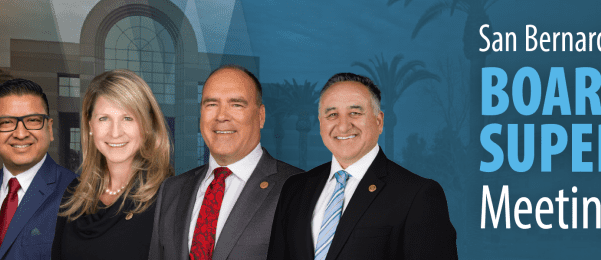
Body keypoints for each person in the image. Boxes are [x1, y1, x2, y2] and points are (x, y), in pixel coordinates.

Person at [268, 73, 458, 260]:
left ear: (379, 121)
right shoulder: (295, 189)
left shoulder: (417, 195)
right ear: (320, 124)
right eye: (332, 114)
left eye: (355, 113)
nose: (343, 126)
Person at [148, 65, 302, 260]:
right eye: (211, 104)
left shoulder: (298, 189)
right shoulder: (171, 190)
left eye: (236, 104)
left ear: (260, 116)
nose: (221, 116)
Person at [52, 70, 173, 259]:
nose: (115, 133)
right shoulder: (74, 194)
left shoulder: (169, 197)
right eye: (104, 118)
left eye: (127, 118)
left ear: (147, 125)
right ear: (90, 125)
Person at [0, 79, 78, 260]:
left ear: (49, 129)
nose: (20, 133)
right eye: (7, 122)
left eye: (33, 120)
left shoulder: (77, 194)